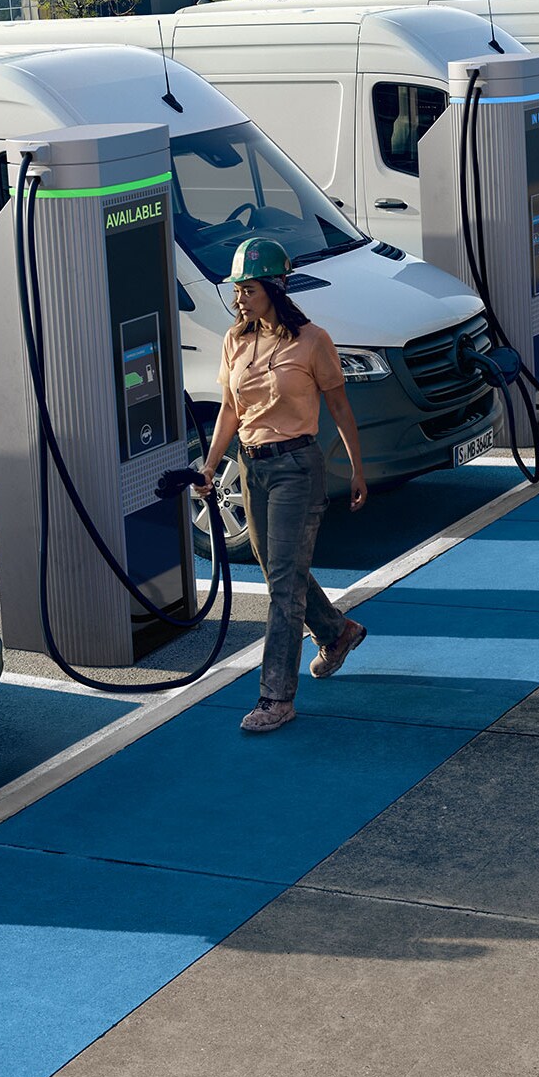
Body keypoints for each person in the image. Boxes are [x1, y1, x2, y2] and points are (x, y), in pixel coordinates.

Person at [198, 231, 368, 736]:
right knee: (282, 577)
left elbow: (339, 408)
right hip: (253, 468)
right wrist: (210, 467)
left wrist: (357, 469)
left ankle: (275, 696)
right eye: (237, 290)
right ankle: (337, 632)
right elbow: (230, 410)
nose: (239, 297)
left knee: (283, 589)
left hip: (297, 466)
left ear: (276, 287)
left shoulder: (313, 341)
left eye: (249, 289)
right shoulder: (235, 340)